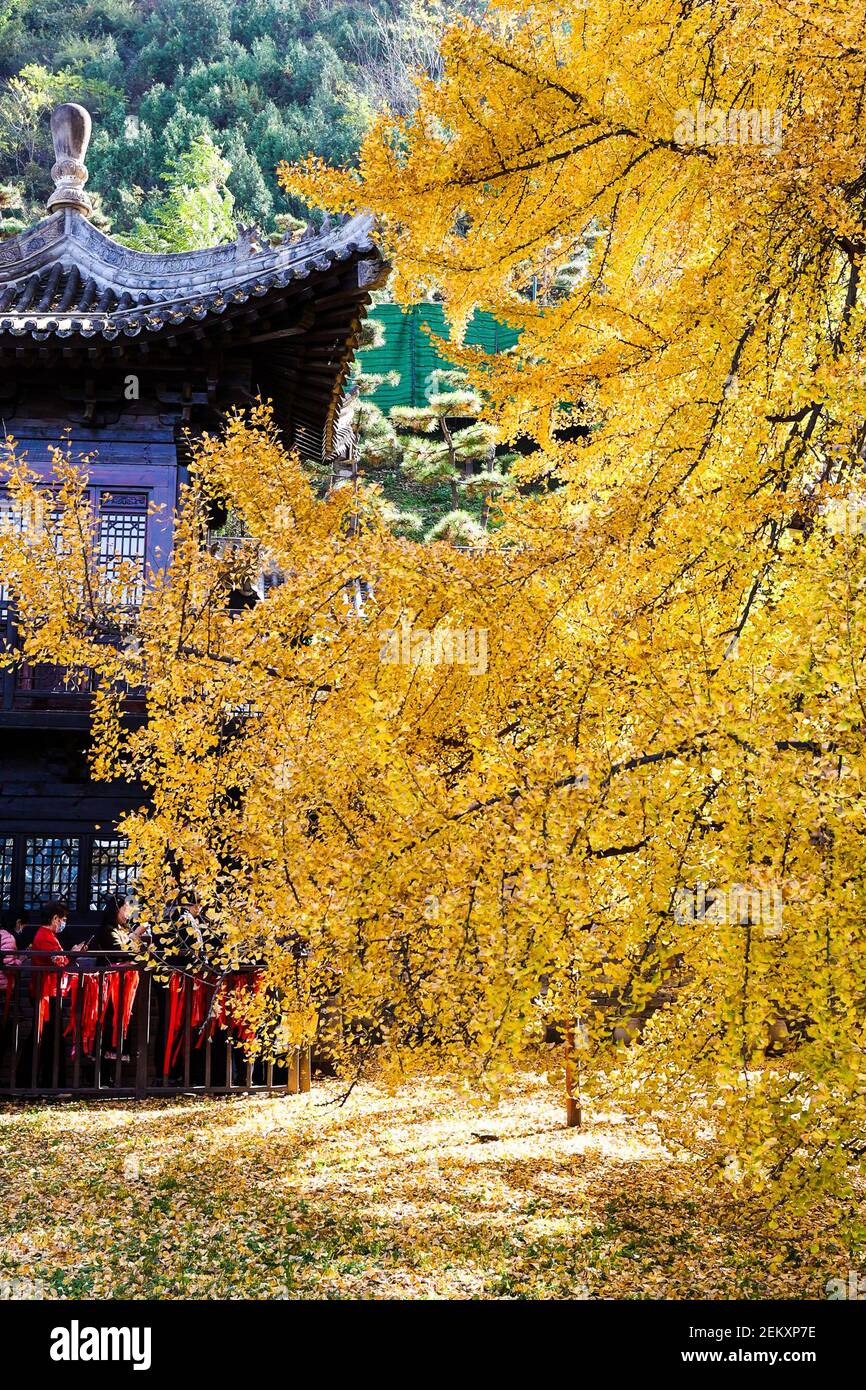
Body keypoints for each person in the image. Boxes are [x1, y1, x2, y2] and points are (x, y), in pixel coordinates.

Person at [30, 903, 85, 1088]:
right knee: (50, 1039)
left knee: (46, 1038)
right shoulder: (45, 937)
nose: (63, 923)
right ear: (54, 918)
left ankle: (42, 1082)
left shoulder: (47, 935)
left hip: (49, 991)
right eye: (62, 919)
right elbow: (59, 961)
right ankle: (49, 1083)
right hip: (46, 992)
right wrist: (73, 954)